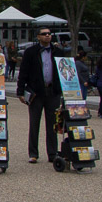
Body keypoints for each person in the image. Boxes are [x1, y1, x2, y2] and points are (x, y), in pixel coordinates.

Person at [16, 28, 66, 164]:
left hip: (52, 91)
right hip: (36, 92)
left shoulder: (58, 52)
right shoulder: (31, 52)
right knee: (34, 123)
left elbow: (64, 71)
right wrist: (20, 91)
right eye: (44, 34)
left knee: (53, 124)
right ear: (38, 37)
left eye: (49, 34)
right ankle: (33, 153)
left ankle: (52, 153)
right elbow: (23, 72)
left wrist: (63, 90)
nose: (47, 36)